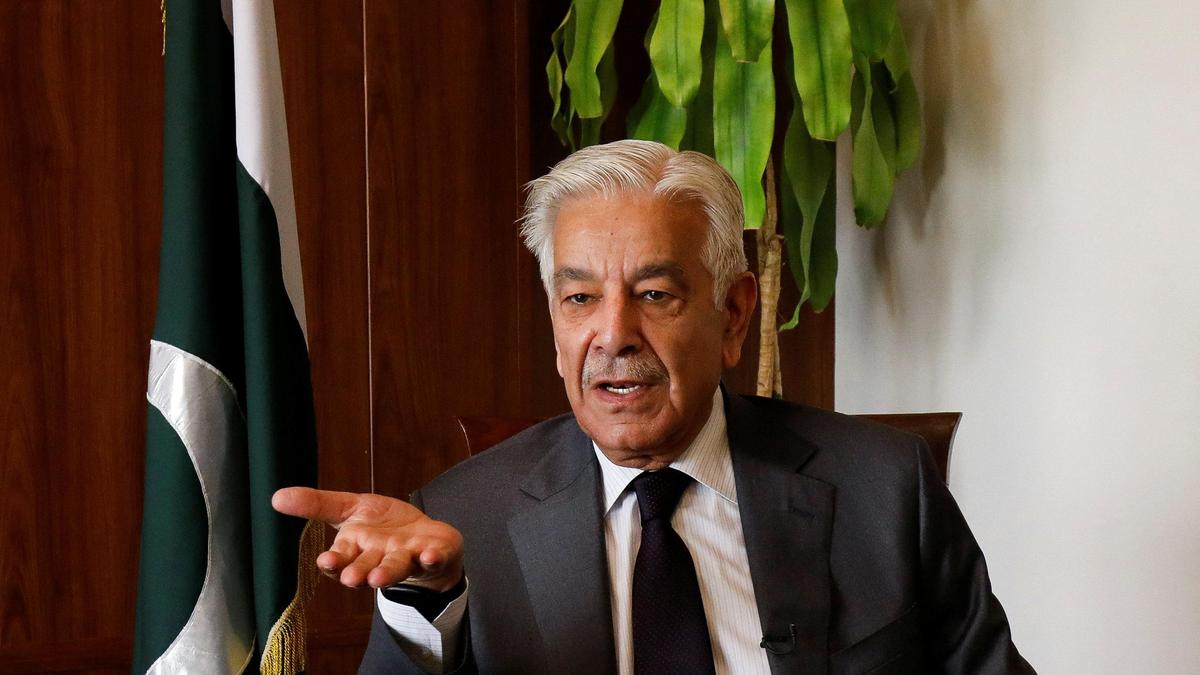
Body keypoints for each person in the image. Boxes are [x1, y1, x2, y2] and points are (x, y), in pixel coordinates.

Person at [273, 140, 1035, 674]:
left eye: (654, 293)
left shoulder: (884, 489)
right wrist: (420, 605)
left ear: (733, 315)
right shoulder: (466, 522)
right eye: (579, 298)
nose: (613, 334)